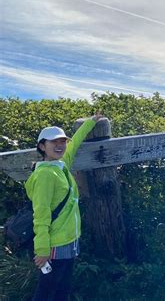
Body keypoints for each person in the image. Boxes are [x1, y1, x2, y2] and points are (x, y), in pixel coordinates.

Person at [26, 113, 102, 301]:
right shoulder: (45, 175)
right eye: (54, 142)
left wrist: (91, 122)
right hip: (54, 244)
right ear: (42, 146)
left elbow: (74, 143)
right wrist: (42, 249)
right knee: (47, 291)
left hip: (68, 239)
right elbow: (41, 214)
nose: (60, 146)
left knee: (63, 288)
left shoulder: (60, 166)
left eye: (62, 142)